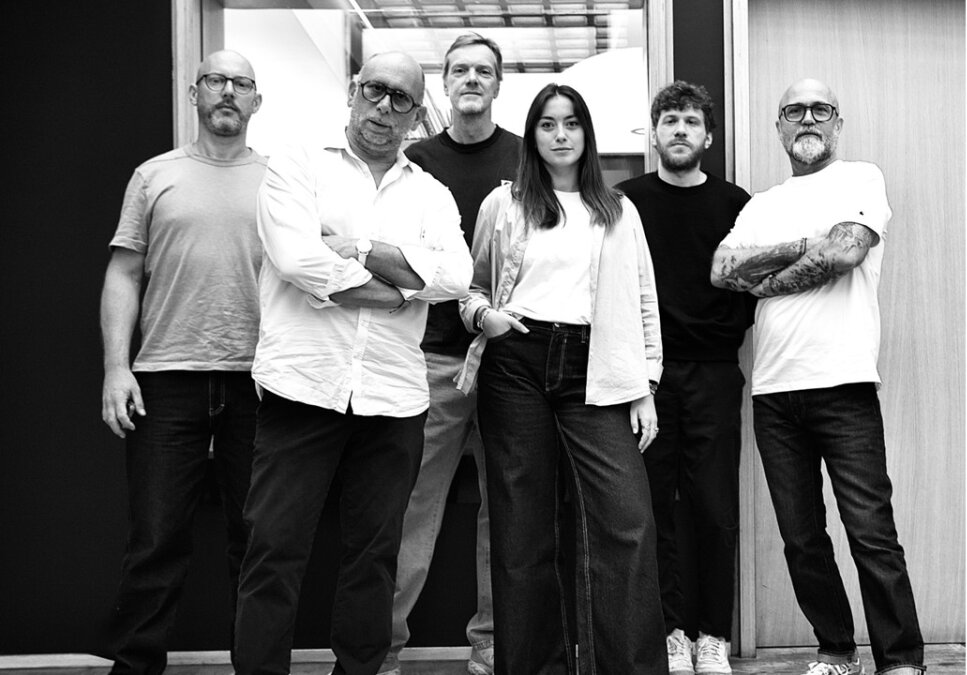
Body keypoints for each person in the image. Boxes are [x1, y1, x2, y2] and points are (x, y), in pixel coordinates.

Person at [233, 51, 472, 675]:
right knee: (274, 551)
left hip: (393, 399)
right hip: (301, 388)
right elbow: (296, 258)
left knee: (375, 557)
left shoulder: (431, 193)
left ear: (416, 115)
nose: (385, 108)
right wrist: (397, 291)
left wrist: (361, 248)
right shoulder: (298, 163)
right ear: (352, 91)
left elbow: (455, 274)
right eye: (375, 91)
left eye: (402, 100)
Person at [710, 78, 924, 675]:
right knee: (802, 539)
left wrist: (767, 280)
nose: (808, 119)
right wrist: (809, 242)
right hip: (774, 392)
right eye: (794, 110)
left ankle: (900, 661)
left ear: (837, 122)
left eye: (820, 109)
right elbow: (723, 270)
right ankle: (836, 651)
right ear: (779, 126)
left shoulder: (861, 178)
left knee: (871, 533)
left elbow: (847, 252)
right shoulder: (760, 204)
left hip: (844, 384)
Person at [456, 83, 667, 675]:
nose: (560, 135)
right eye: (547, 124)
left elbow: (644, 301)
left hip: (594, 367)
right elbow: (471, 289)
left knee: (627, 521)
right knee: (522, 528)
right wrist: (486, 317)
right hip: (516, 363)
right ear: (533, 135)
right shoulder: (505, 204)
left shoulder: (618, 209)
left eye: (571, 123)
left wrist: (646, 386)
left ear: (586, 133)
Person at [99, 50, 266, 675]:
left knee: (257, 542)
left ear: (256, 101)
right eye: (215, 80)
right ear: (195, 94)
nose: (228, 91)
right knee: (155, 539)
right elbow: (123, 272)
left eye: (241, 83)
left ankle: (256, 665)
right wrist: (117, 368)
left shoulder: (280, 180)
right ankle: (135, 668)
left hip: (259, 383)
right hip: (165, 379)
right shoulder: (154, 175)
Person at [380, 33, 520, 675]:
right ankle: (383, 648)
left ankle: (493, 643)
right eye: (460, 69)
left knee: (507, 512)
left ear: (498, 84)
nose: (472, 79)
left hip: (508, 365)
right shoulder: (415, 160)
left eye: (483, 71)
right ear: (445, 82)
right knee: (412, 506)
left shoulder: (525, 159)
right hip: (431, 358)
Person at [616, 81, 751, 675]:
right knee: (654, 507)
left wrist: (719, 333)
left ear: (708, 137)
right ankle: (671, 632)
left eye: (691, 121)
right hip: (647, 377)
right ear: (654, 133)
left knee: (714, 507)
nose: (679, 130)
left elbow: (750, 287)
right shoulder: (626, 202)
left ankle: (713, 635)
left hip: (715, 374)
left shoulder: (736, 204)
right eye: (669, 120)